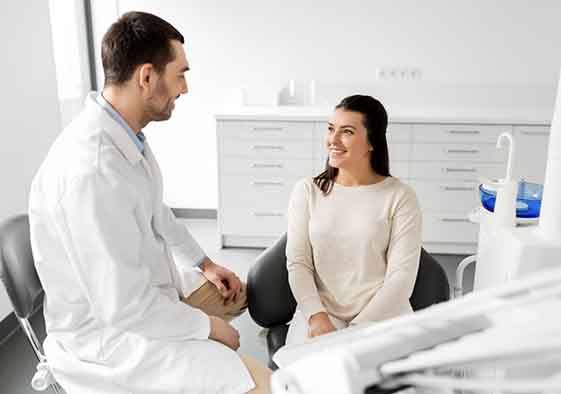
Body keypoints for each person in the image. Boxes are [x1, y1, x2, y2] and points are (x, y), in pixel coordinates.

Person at [29, 11, 270, 394]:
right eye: (180, 74)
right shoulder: (91, 172)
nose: (184, 89)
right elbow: (123, 307)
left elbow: (157, 211)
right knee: (262, 385)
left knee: (235, 295)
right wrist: (208, 329)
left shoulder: (126, 136)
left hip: (146, 291)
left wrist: (204, 264)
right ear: (146, 77)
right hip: (109, 338)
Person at [284, 95, 422, 345]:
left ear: (372, 141)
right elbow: (298, 263)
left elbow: (401, 278)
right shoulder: (307, 191)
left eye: (346, 132)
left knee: (388, 382)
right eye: (330, 129)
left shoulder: (400, 197)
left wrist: (356, 330)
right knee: (304, 379)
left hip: (383, 315)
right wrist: (316, 316)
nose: (333, 140)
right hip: (321, 315)